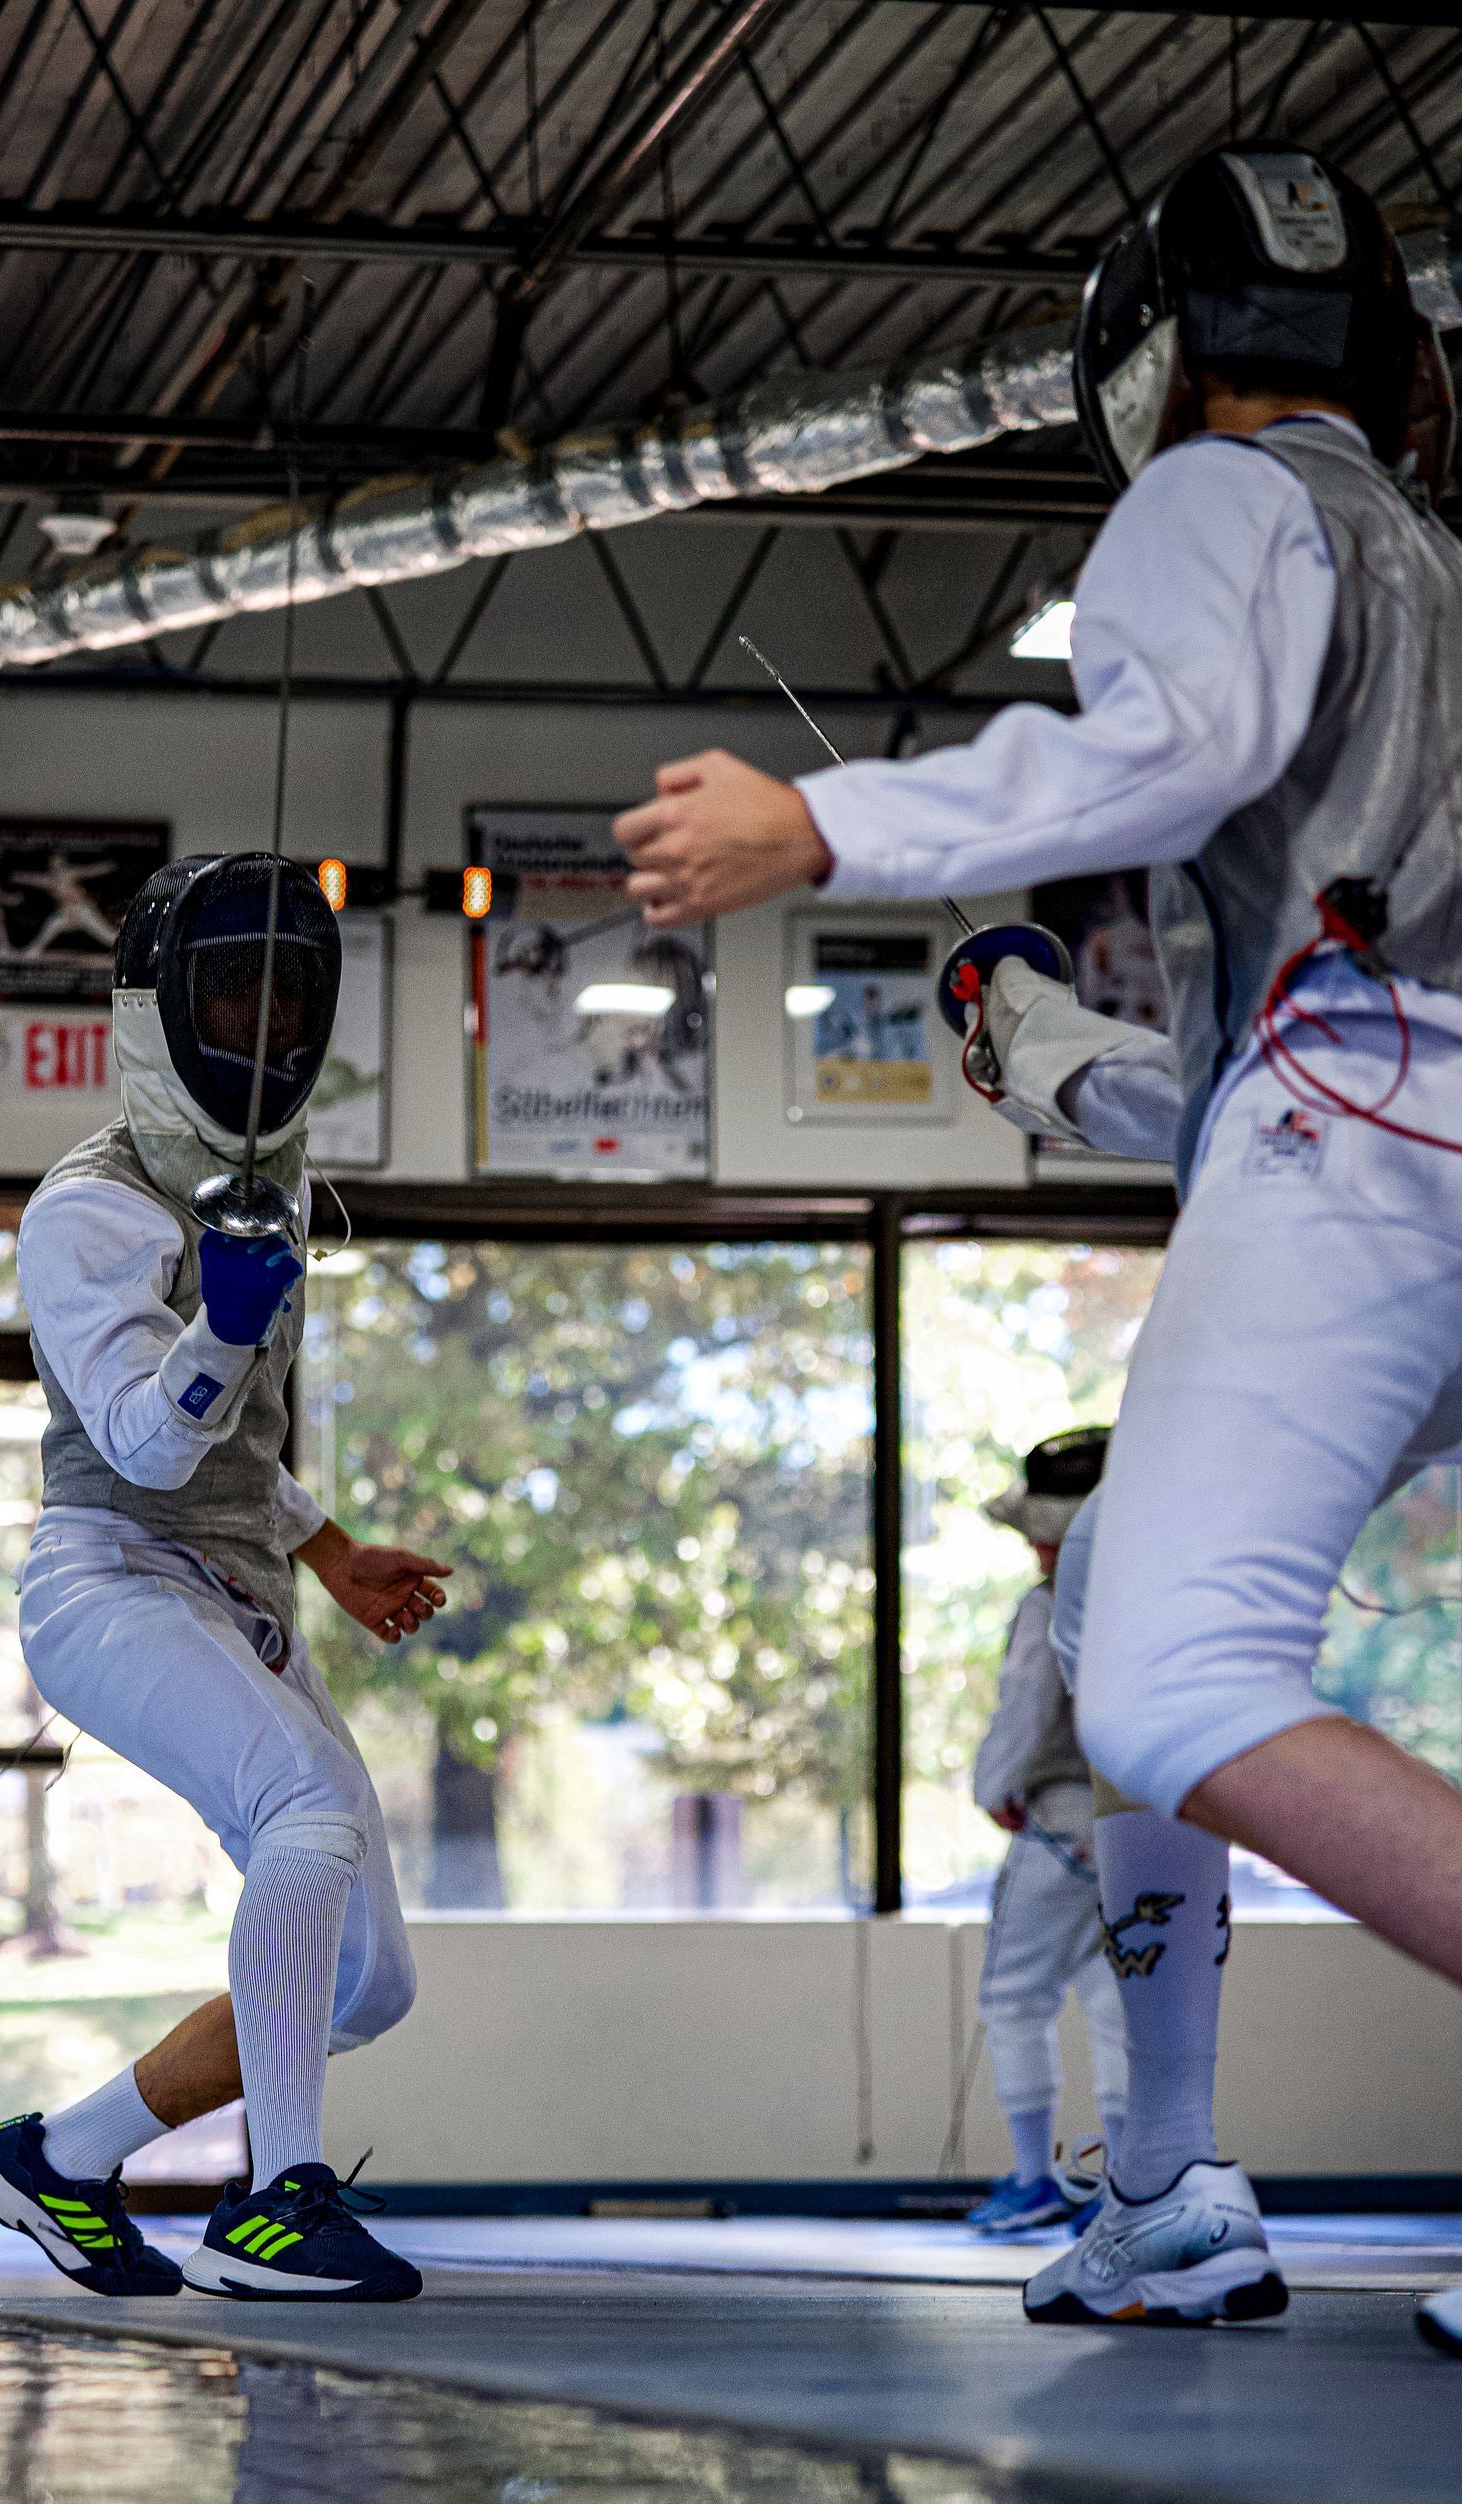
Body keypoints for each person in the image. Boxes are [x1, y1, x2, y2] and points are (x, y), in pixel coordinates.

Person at [614, 143, 1462, 2332]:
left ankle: (1167, 2182)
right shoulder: (1436, 563)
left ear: (1155, 358)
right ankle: (1162, 2181)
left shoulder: (1219, 491)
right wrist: (1062, 1053)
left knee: (1173, 1677)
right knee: (1110, 1598)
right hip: (1386, 1131)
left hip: (1364, 1136)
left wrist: (827, 824)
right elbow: (1335, 1034)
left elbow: (1181, 756)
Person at [0, 852, 450, 2305]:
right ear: (159, 1008)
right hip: (107, 1578)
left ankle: (57, 2158)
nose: (267, 1021)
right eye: (236, 990)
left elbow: (235, 1453)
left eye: (290, 994)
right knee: (305, 1812)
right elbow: (143, 1444)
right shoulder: (88, 1209)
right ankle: (273, 2206)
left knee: (366, 1983)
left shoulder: (266, 1186)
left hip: (236, 1591)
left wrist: (333, 1553)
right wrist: (222, 1329)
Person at [966, 1429, 1127, 2235]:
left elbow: (1026, 1708)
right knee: (1117, 1996)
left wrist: (994, 1787)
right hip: (1143, 1823)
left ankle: (1035, 2179)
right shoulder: (1149, 1600)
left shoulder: (1048, 1605)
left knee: (1013, 1997)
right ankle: (1128, 2188)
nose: (1036, 1548)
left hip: (1063, 1820)